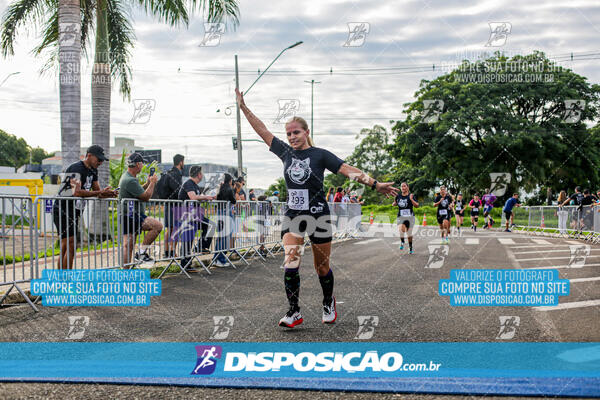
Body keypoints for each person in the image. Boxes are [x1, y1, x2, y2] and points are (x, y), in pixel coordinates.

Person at [237, 88, 397, 328]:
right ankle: (294, 311)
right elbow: (262, 131)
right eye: (289, 133)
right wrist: (244, 108)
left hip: (319, 215)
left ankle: (327, 302)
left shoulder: (320, 155)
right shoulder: (285, 152)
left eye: (296, 132)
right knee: (291, 261)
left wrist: (375, 184)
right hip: (293, 216)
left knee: (321, 267)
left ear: (306, 132)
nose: (292, 137)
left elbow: (347, 170)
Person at [52, 145, 115, 269]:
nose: (101, 162)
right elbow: (77, 192)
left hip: (75, 211)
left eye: (102, 160)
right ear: (89, 155)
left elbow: (97, 191)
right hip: (63, 209)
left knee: (70, 244)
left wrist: (108, 193)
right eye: (99, 159)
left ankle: (64, 277)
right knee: (69, 244)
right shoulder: (75, 168)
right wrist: (99, 193)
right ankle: (64, 278)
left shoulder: (93, 171)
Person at [119, 153, 163, 265]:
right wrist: (152, 183)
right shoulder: (130, 180)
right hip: (131, 215)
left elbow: (138, 191)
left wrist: (147, 183)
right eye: (142, 164)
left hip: (130, 214)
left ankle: (126, 274)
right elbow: (145, 196)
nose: (143, 166)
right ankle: (141, 253)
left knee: (128, 246)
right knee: (157, 226)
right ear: (138, 164)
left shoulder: (128, 177)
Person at [177, 165, 217, 268]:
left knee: (210, 225)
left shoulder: (195, 185)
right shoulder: (189, 183)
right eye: (201, 173)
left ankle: (201, 247)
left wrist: (208, 198)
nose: (202, 175)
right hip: (187, 215)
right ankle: (185, 264)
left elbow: (196, 198)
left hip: (194, 215)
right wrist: (206, 197)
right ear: (198, 174)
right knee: (188, 238)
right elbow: (193, 197)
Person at [158, 154, 184, 259]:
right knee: (176, 228)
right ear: (181, 162)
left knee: (169, 228)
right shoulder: (177, 174)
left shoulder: (168, 173)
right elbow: (177, 190)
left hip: (168, 203)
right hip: (175, 204)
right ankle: (173, 252)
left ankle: (167, 252)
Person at [213, 173, 237, 267]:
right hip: (226, 213)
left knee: (221, 236)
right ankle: (220, 259)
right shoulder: (229, 189)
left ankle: (216, 258)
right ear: (230, 180)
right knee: (225, 236)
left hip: (220, 213)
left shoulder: (220, 188)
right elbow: (234, 201)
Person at [392, 182, 419, 253]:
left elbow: (417, 205)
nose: (403, 188)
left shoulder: (411, 195)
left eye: (404, 186)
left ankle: (410, 247)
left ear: (407, 187)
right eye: (401, 186)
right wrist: (394, 203)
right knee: (401, 230)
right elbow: (395, 203)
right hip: (401, 217)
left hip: (410, 217)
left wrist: (411, 199)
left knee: (409, 234)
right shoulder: (398, 196)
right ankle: (402, 242)